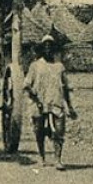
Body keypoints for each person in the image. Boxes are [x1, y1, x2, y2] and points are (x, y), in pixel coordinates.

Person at [24, 35, 77, 169]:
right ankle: (42, 156)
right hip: (39, 103)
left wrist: (70, 106)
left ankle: (58, 159)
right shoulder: (35, 66)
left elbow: (65, 87)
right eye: (45, 47)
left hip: (56, 103)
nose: (48, 49)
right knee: (39, 130)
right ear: (42, 49)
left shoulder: (59, 67)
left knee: (59, 131)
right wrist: (35, 98)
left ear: (54, 49)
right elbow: (27, 85)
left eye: (51, 47)